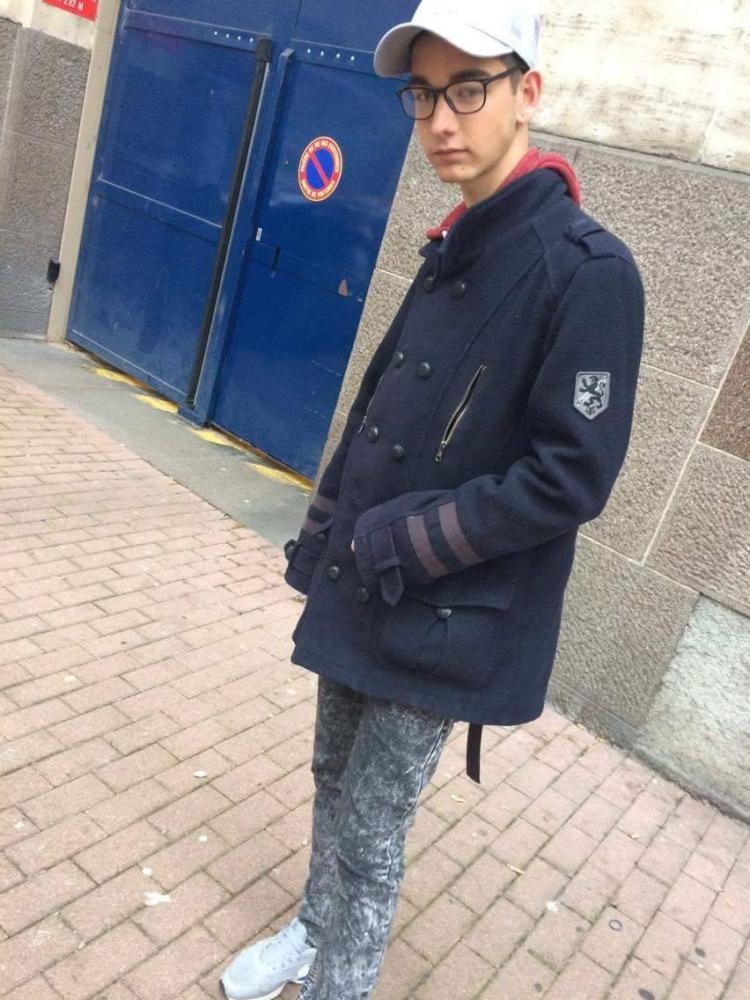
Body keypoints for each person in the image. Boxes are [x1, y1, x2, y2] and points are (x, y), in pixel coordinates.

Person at [220, 1, 645, 997]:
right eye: (423, 95)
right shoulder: (454, 241)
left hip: (446, 606)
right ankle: (311, 931)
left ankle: (343, 982)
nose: (441, 120)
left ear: (527, 93)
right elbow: (377, 409)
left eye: (468, 89)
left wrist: (405, 541)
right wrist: (323, 542)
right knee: (330, 778)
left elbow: (571, 475)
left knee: (374, 829)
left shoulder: (589, 273)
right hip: (363, 577)